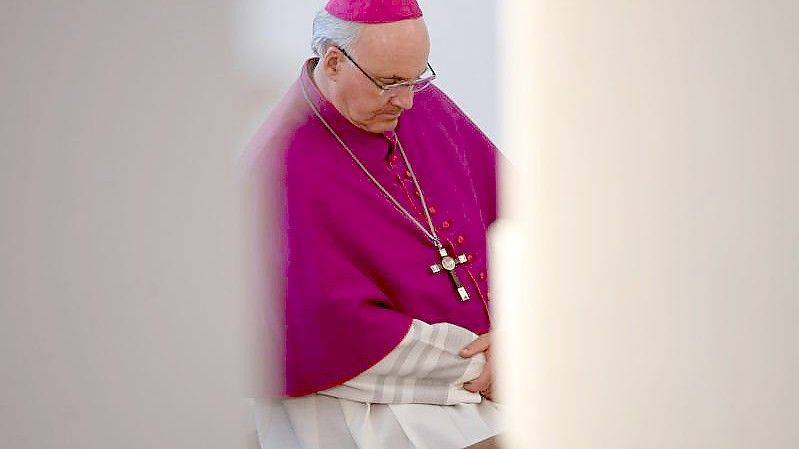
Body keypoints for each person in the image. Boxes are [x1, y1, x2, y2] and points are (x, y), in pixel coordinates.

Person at [246, 1, 504, 447]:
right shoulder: (276, 164)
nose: (406, 99)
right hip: (368, 403)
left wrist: (517, 337)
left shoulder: (422, 103)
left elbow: (525, 222)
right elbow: (323, 332)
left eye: (416, 77)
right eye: (389, 83)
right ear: (333, 62)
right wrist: (481, 367)